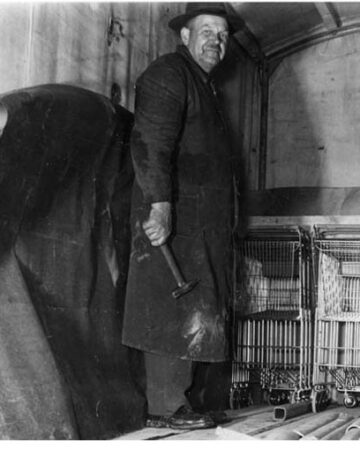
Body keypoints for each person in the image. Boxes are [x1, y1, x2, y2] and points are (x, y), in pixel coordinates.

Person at [122, 3, 244, 430]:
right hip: (176, 220)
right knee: (171, 309)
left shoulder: (203, 85)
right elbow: (151, 141)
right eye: (207, 30)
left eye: (222, 34)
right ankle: (165, 406)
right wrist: (160, 205)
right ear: (185, 36)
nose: (216, 40)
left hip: (200, 225)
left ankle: (181, 402)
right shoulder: (169, 74)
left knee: (195, 311)